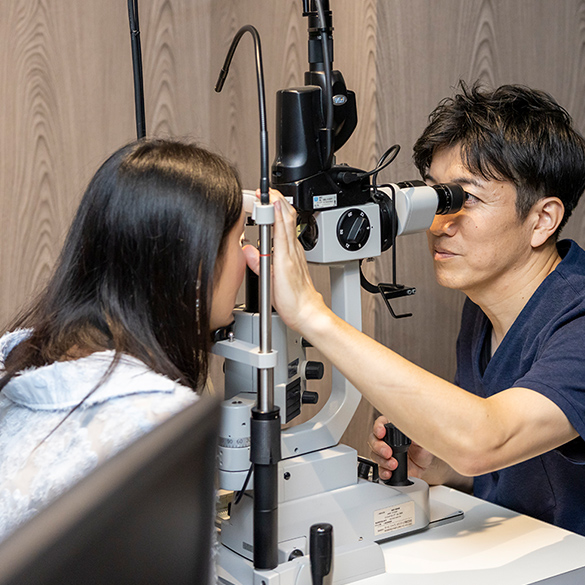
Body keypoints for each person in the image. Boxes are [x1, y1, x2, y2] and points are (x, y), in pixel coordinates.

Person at [247, 82, 585, 535]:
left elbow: (486, 439)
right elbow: (513, 462)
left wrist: (310, 312)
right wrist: (443, 464)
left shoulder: (577, 318)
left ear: (542, 220)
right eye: (436, 197)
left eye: (465, 199)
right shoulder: (486, 307)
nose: (439, 224)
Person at [0, 138, 248, 541]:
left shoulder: (24, 360)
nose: (250, 257)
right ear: (196, 268)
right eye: (239, 242)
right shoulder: (156, 426)